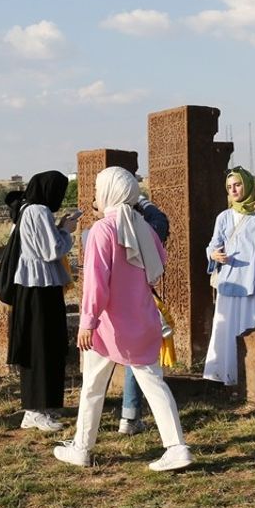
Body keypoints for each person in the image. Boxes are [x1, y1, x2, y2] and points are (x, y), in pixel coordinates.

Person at [53, 166, 192, 471]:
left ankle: (82, 447)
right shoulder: (142, 227)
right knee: (155, 385)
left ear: (109, 192)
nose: (95, 197)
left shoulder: (103, 230)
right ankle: (177, 447)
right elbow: (157, 266)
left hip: (108, 326)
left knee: (92, 387)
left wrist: (87, 321)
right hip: (143, 320)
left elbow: (96, 283)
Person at [0, 170, 78, 432]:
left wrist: (58, 228)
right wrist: (66, 231)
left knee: (44, 346)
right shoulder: (38, 211)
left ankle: (41, 408)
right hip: (38, 287)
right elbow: (51, 250)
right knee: (41, 347)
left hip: (37, 286)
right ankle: (35, 410)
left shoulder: (28, 210)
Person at [204, 166, 255, 386]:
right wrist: (213, 254)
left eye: (237, 185)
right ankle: (227, 374)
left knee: (254, 327)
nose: (234, 190)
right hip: (230, 282)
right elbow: (213, 244)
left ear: (246, 185)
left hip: (254, 281)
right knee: (228, 329)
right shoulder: (224, 217)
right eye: (229, 187)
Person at [118, 194, 170, 435]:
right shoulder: (140, 231)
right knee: (139, 360)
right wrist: (144, 203)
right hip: (136, 302)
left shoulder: (100, 230)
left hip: (106, 304)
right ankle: (131, 416)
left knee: (104, 367)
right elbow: (161, 222)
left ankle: (88, 430)